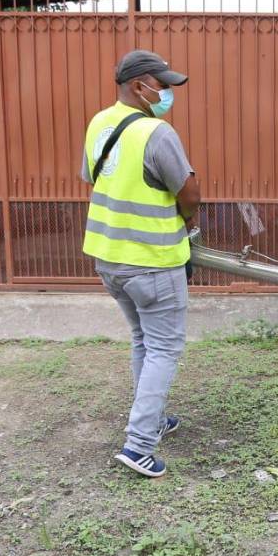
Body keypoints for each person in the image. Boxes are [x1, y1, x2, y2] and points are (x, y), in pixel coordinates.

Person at [80, 49, 200, 478]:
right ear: (139, 86)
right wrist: (189, 223)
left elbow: (93, 176)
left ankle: (155, 418)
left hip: (109, 256)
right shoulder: (156, 132)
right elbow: (188, 191)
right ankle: (139, 444)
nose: (167, 92)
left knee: (143, 341)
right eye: (162, 84)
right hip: (152, 260)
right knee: (164, 348)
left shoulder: (99, 122)